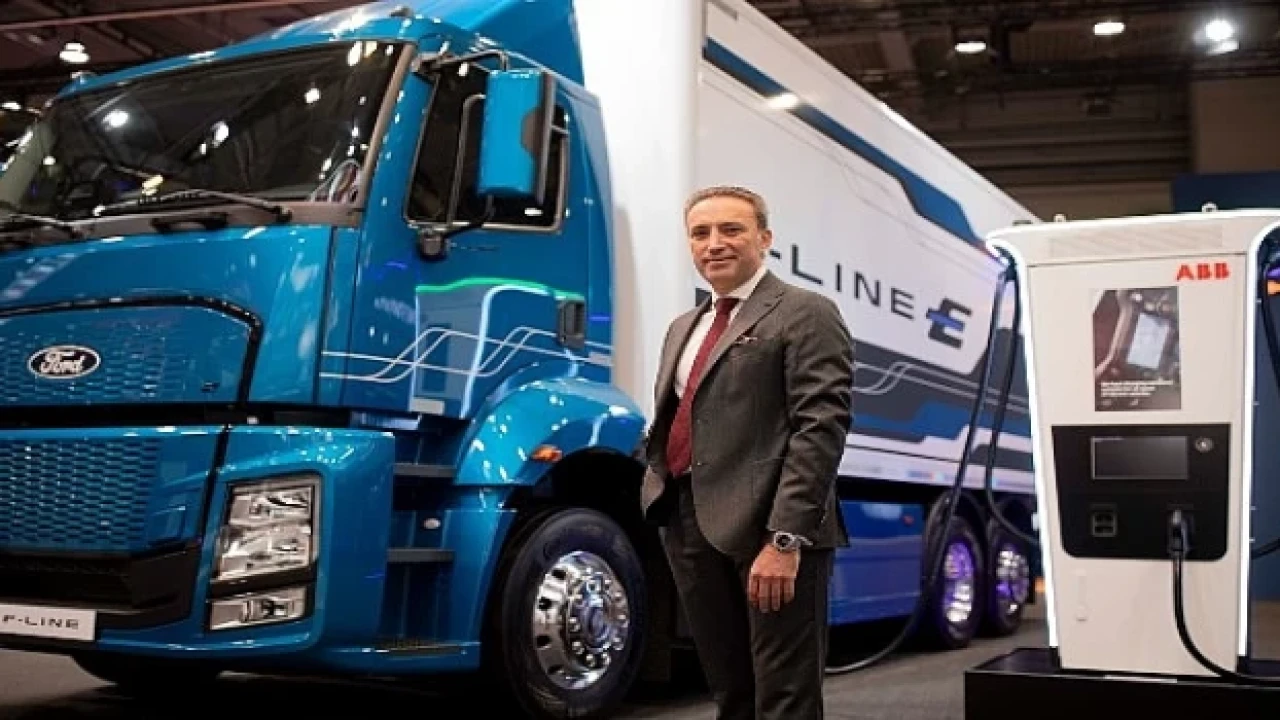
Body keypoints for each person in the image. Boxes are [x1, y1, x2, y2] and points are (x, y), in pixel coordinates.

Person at [640, 185, 855, 719]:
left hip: (768, 526)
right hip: (689, 522)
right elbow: (681, 417)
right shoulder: (683, 327)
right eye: (700, 233)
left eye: (731, 229)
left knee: (784, 696)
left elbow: (819, 428)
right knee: (730, 691)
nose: (714, 243)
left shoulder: (805, 312)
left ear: (765, 238)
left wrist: (785, 538)